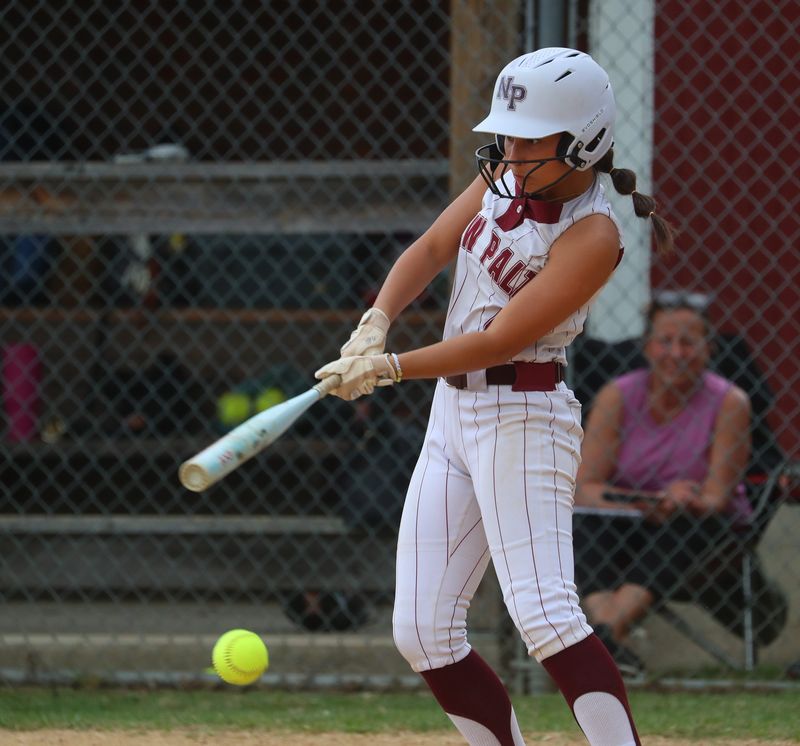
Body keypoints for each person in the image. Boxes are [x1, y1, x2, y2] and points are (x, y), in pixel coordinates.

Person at [315, 47, 673, 746]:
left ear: (584, 143)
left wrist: (388, 368)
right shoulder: (505, 178)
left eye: (530, 135)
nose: (509, 149)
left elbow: (498, 340)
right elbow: (428, 249)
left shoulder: (593, 234)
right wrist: (375, 320)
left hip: (523, 418)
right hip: (455, 416)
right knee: (421, 629)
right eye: (507, 133)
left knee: (545, 617)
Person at [573, 294, 753, 676]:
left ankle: (601, 638)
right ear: (647, 346)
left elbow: (716, 497)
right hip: (626, 519)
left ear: (708, 349)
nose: (676, 353)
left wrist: (681, 500)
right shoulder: (617, 396)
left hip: (695, 528)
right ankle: (611, 639)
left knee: (688, 527)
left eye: (689, 343)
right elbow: (586, 487)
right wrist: (645, 502)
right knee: (584, 521)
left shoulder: (729, 402)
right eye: (665, 341)